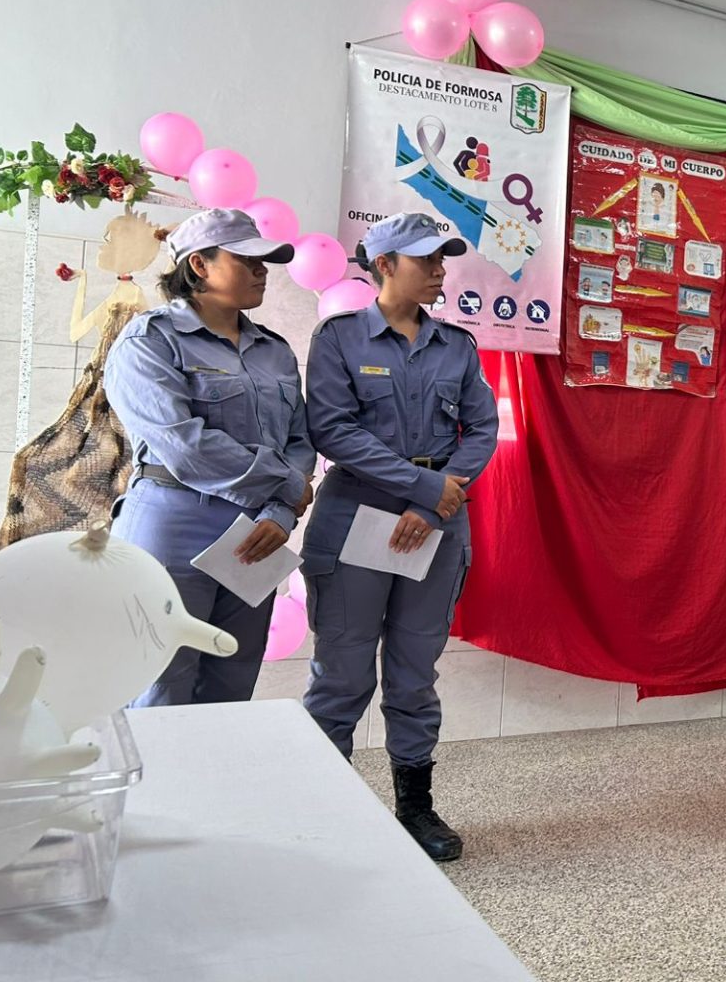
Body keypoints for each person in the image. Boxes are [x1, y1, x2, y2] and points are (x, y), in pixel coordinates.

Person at [300, 212, 499, 862]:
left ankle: (416, 806)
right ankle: (318, 810)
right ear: (384, 265)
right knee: (343, 674)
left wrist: (438, 503)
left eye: (443, 258)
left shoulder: (458, 347)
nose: (440, 269)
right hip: (358, 517)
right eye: (425, 259)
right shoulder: (338, 339)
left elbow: (482, 429)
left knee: (414, 675)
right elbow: (332, 429)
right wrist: (420, 490)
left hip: (437, 524)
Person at [105, 208, 315, 705]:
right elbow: (185, 445)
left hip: (256, 528)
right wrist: (286, 487)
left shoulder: (275, 351)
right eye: (249, 261)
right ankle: (157, 787)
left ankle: (211, 784)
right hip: (172, 522)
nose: (264, 271)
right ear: (199, 265)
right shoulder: (149, 341)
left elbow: (299, 441)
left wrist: (280, 514)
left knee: (232, 679)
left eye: (265, 262)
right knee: (161, 684)